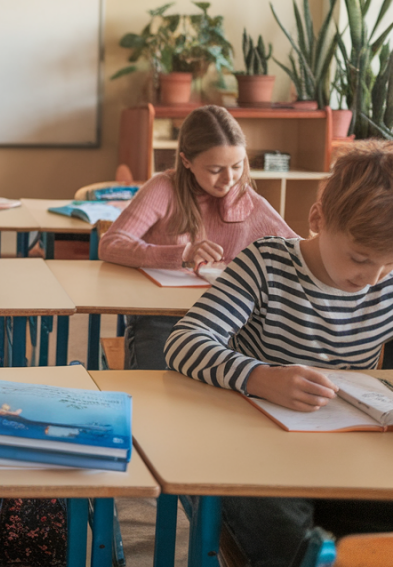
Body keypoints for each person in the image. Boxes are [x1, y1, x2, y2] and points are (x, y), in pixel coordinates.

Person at [164, 141, 393, 567]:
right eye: (360, 258)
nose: (371, 278)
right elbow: (185, 341)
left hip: (346, 453)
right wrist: (260, 377)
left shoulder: (386, 283)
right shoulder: (266, 263)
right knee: (277, 524)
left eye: (388, 264)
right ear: (318, 218)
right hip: (256, 448)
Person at [99, 105, 296, 370]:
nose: (229, 179)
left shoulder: (245, 197)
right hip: (162, 316)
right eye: (215, 169)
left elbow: (294, 249)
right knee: (158, 391)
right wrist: (182, 254)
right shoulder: (163, 188)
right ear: (186, 161)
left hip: (223, 318)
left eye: (237, 166)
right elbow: (111, 245)